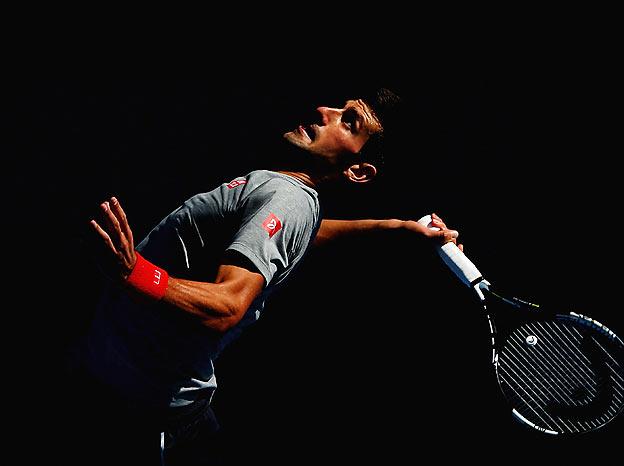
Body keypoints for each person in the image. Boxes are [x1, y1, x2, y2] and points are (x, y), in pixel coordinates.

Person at [76, 87, 462, 464]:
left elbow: (228, 306)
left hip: (144, 414)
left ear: (358, 170)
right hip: (143, 394)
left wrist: (134, 273)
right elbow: (294, 233)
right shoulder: (297, 201)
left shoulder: (287, 199)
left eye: (348, 121)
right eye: (338, 106)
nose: (323, 111)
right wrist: (393, 227)